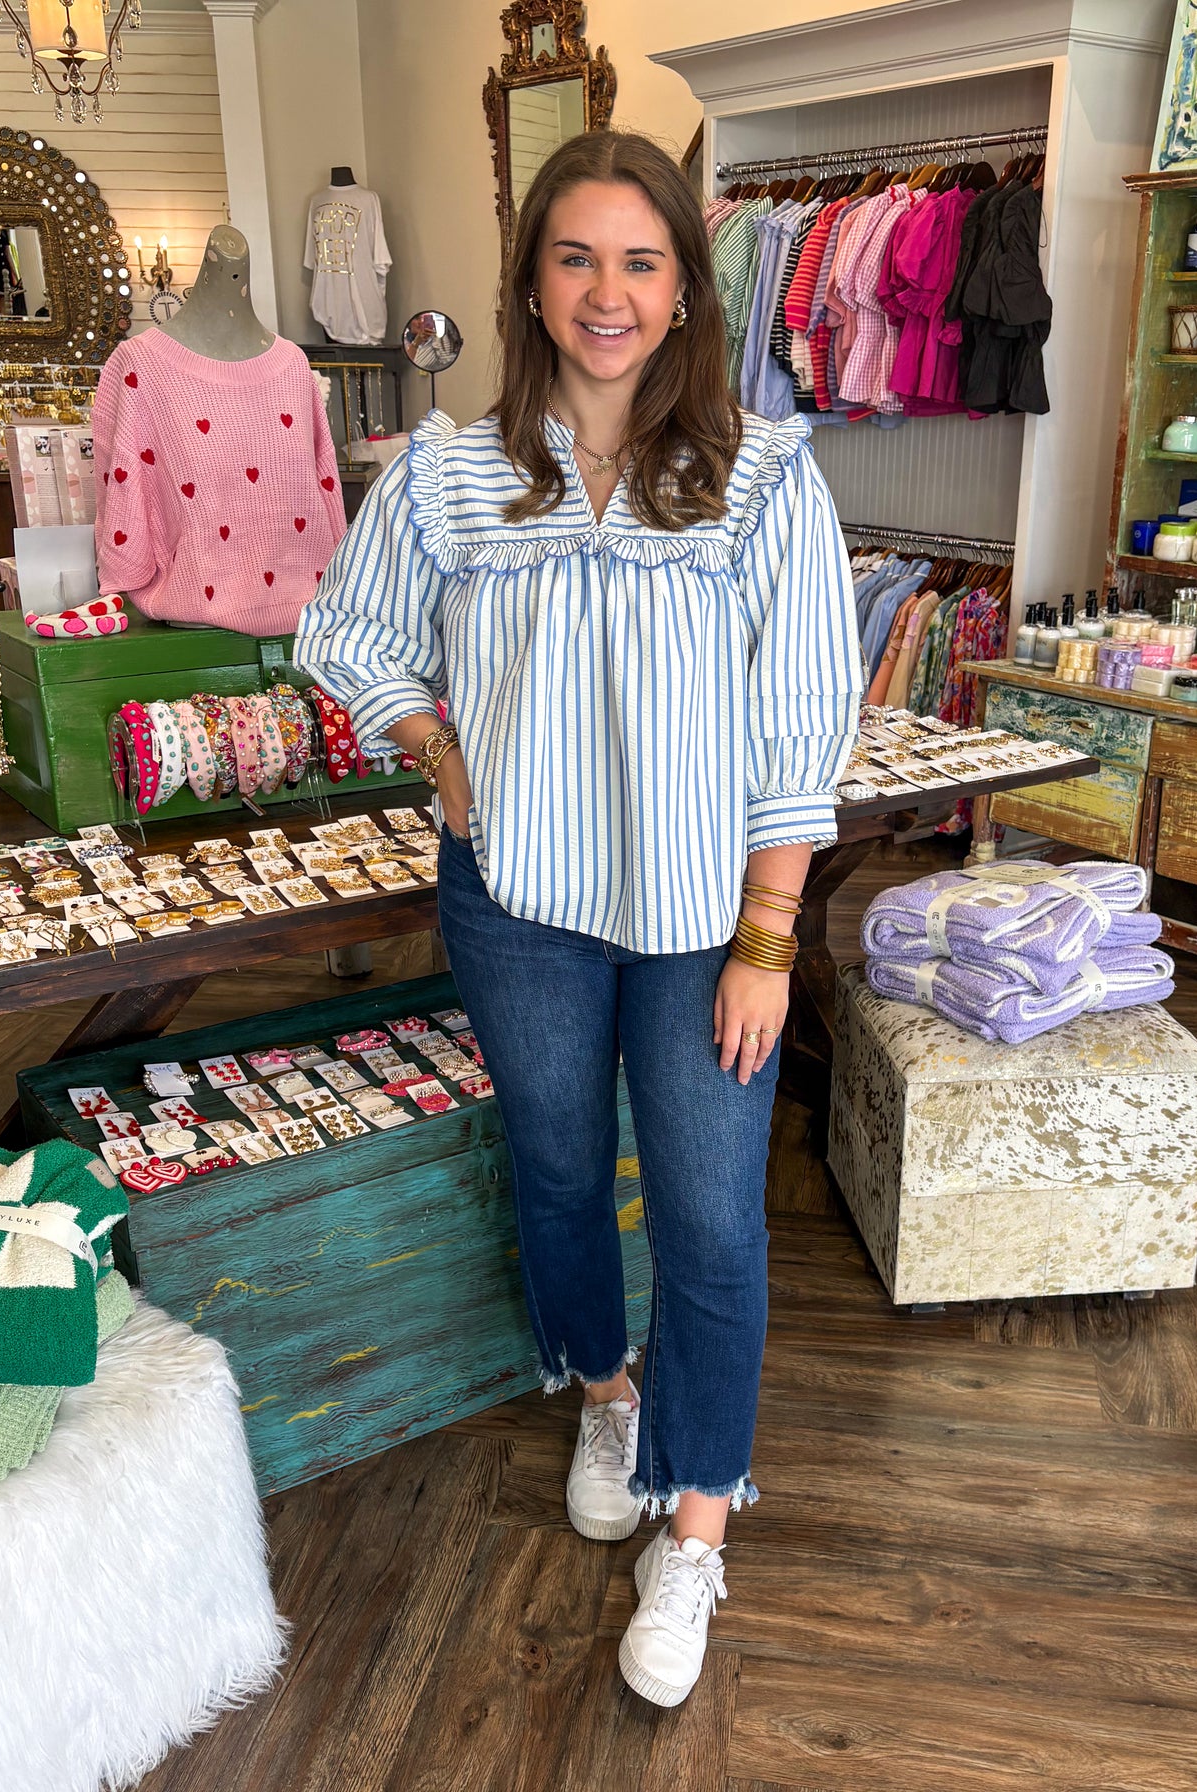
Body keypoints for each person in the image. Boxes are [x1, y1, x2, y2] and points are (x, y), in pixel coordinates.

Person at [295, 129, 862, 1707]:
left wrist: (766, 941)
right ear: (532, 285)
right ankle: (604, 1389)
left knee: (709, 1218)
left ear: (683, 290)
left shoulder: (761, 482)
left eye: (639, 261)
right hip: (521, 906)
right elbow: (341, 636)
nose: (605, 293)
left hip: (700, 925)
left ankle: (695, 1523)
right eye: (573, 258)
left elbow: (804, 721)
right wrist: (436, 748)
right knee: (552, 1165)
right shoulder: (447, 476)